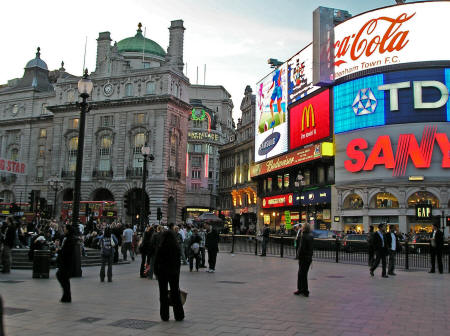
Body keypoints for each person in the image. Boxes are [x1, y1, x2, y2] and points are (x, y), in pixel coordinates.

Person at [154, 229, 185, 322]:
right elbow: (178, 263)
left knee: (163, 293)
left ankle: (164, 315)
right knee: (175, 292)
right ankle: (179, 315)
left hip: (162, 272)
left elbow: (156, 261)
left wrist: (156, 272)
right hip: (174, 272)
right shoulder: (176, 247)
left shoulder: (161, 247)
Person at [56, 225, 77, 303]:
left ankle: (67, 296)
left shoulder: (70, 239)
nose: (63, 229)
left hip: (66, 263)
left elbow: (67, 252)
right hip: (65, 262)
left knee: (62, 277)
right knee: (64, 279)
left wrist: (59, 251)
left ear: (68, 230)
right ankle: (66, 295)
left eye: (65, 228)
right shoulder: (67, 238)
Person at [294, 223, 314, 297]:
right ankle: (302, 289)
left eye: (302, 227)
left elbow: (302, 248)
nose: (301, 228)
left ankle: (304, 290)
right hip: (307, 258)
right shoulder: (310, 235)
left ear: (304, 228)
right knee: (302, 274)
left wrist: (299, 256)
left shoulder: (304, 236)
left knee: (302, 274)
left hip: (304, 258)